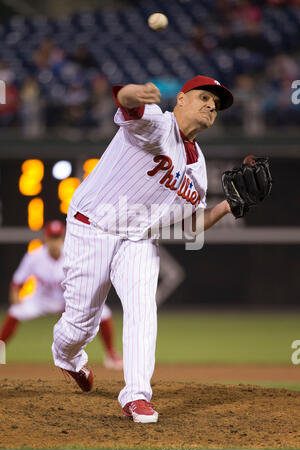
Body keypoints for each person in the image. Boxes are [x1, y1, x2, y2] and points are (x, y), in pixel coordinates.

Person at [51, 76, 235, 424]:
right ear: (180, 99)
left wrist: (225, 207)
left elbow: (189, 224)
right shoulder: (156, 124)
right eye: (205, 97)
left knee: (142, 308)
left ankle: (136, 395)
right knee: (78, 327)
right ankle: (67, 358)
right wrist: (135, 92)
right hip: (93, 226)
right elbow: (125, 99)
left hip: (137, 238)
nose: (212, 105)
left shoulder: (197, 169)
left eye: (217, 104)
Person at [0, 220, 122, 370]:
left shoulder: (73, 254)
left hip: (68, 301)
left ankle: (111, 355)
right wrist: (15, 296)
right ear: (45, 238)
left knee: (104, 312)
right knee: (15, 311)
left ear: (63, 238)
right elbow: (17, 283)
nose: (54, 242)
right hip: (41, 300)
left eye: (57, 238)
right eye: (52, 238)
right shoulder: (35, 256)